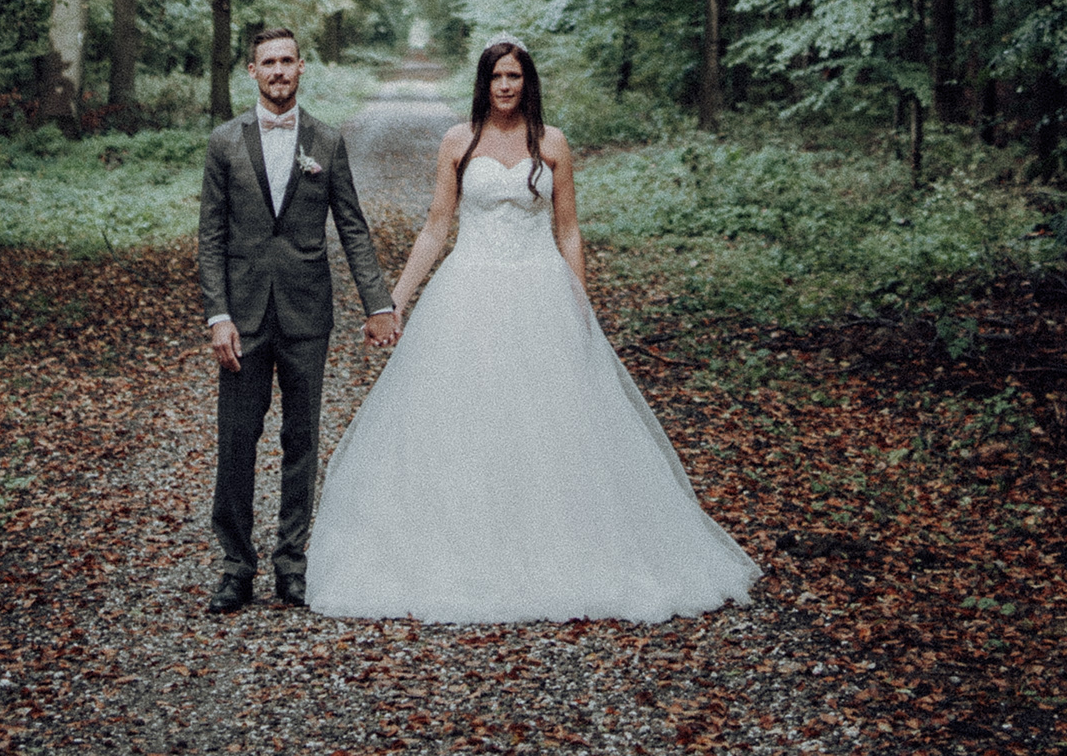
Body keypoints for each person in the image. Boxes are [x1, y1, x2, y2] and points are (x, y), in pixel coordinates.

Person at [304, 36, 760, 623]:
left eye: (514, 75)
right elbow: (435, 229)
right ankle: (463, 549)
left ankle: (563, 548)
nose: (505, 86)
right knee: (467, 417)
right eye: (496, 76)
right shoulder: (457, 141)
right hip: (468, 291)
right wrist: (394, 301)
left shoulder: (552, 143)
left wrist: (579, 303)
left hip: (540, 289)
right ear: (483, 81)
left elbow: (568, 232)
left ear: (528, 81)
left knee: (552, 420)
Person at [197, 24, 398, 614]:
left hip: (308, 312)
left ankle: (292, 563)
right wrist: (218, 314)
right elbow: (210, 237)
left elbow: (353, 228)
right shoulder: (223, 143)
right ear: (252, 72)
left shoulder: (327, 143)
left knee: (301, 438)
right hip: (245, 314)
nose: (279, 71)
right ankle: (236, 565)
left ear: (302, 68)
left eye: (287, 61)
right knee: (237, 438)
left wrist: (378, 304)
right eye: (268, 63)